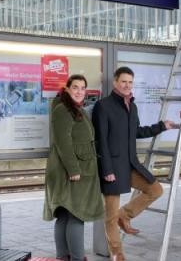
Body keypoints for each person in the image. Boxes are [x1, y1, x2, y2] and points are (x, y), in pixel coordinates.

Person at [92, 66, 177, 261]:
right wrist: (106, 170)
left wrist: (161, 126)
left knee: (155, 190)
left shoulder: (133, 106)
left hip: (130, 164)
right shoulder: (103, 106)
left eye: (130, 82)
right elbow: (101, 141)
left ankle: (125, 215)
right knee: (110, 214)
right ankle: (117, 253)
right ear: (115, 82)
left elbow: (136, 132)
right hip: (111, 167)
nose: (127, 85)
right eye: (123, 81)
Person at [43, 74, 105, 261]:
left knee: (65, 216)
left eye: (82, 88)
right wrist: (74, 170)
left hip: (73, 170)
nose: (79, 91)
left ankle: (63, 256)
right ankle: (77, 258)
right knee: (76, 215)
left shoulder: (78, 110)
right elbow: (63, 143)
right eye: (75, 87)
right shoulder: (62, 110)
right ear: (68, 89)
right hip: (71, 172)